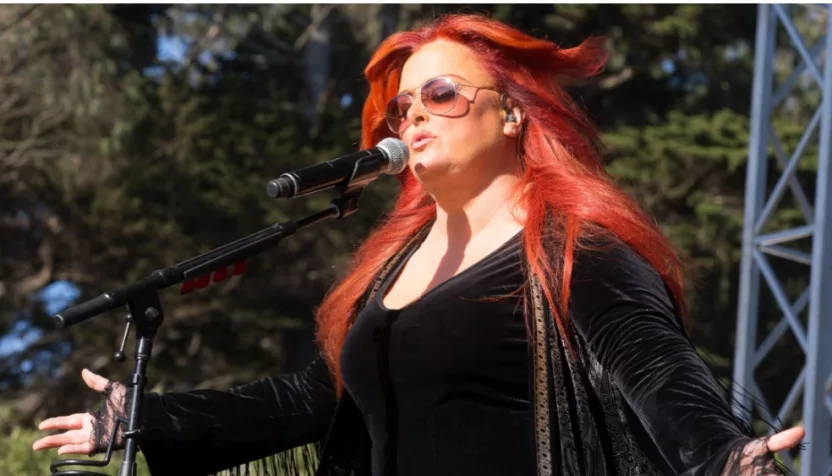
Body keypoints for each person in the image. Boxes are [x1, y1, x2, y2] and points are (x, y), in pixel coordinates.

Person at [33, 12, 804, 476]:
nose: (414, 118)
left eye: (442, 95)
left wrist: (725, 456)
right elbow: (308, 401)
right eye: (402, 108)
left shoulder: (573, 246)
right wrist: (146, 417)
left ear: (511, 116)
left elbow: (656, 369)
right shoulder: (391, 268)